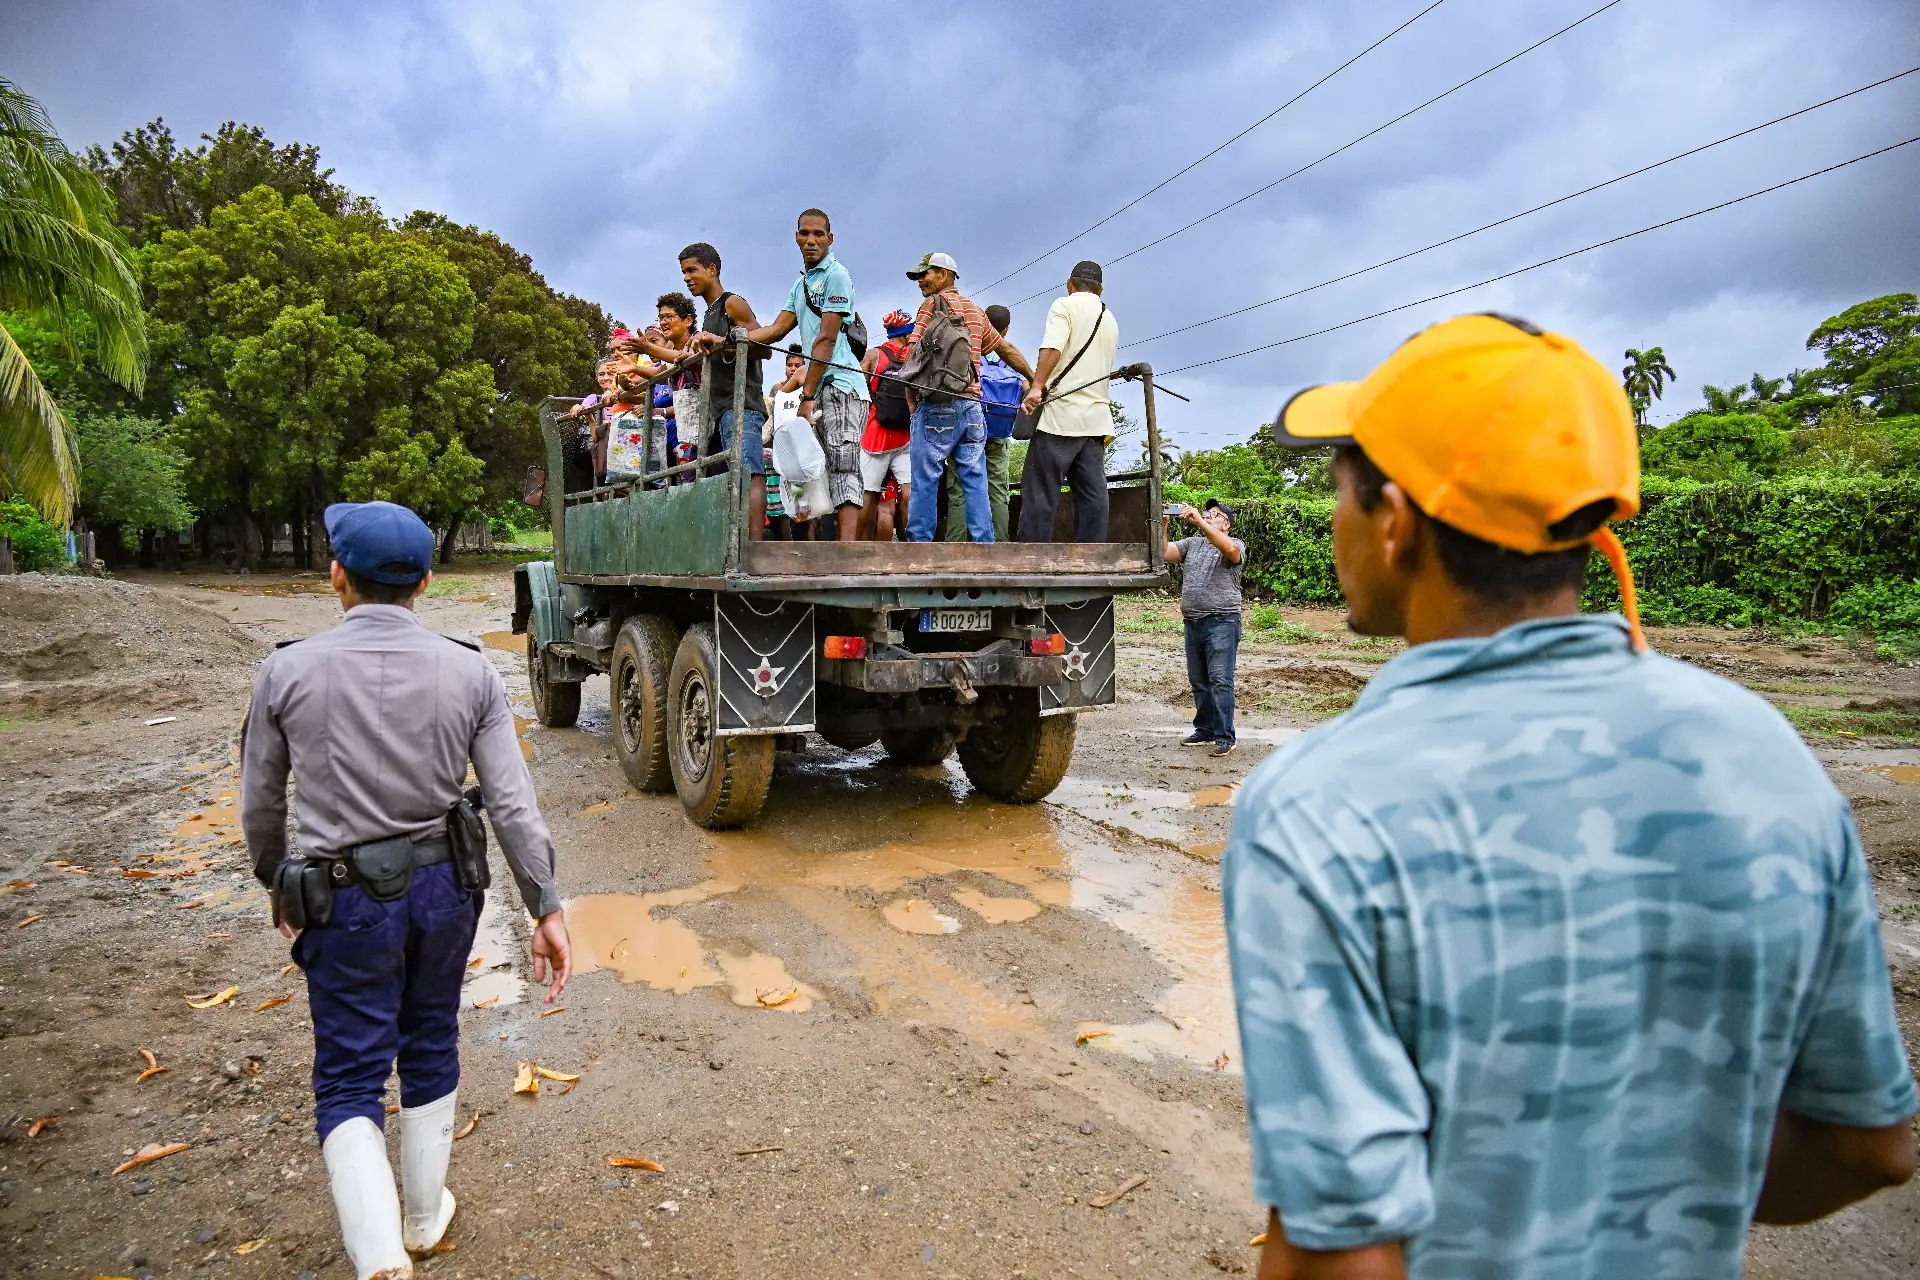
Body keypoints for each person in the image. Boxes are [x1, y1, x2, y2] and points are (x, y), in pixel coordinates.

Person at [1225, 313, 1916, 1280]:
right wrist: (1635, 1177)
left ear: (1399, 523)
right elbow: (1869, 1145)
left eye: (1339, 485)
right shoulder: (1766, 750)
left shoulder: (1318, 807)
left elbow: (1346, 1257)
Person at [240, 501, 572, 1278]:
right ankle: (423, 1220)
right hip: (446, 891)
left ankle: (381, 1255)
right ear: (425, 581)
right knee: (430, 1037)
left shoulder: (286, 671)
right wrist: (545, 905)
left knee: (351, 1072)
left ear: (336, 579)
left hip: (343, 897)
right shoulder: (470, 671)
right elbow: (513, 804)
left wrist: (278, 884)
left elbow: (259, 806)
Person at [736, 209, 868, 540]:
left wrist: (805, 396)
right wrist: (732, 338)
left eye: (818, 234)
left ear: (830, 239)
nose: (811, 240)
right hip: (819, 387)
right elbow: (778, 329)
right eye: (804, 234)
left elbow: (826, 338)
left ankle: (847, 554)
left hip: (842, 386)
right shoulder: (801, 284)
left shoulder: (837, 276)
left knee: (843, 466)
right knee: (812, 472)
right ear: (796, 237)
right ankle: (818, 549)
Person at [898, 252, 1035, 542]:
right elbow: (1005, 349)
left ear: (945, 275)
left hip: (936, 406)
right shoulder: (974, 310)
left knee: (925, 480)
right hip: (973, 409)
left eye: (927, 273)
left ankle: (920, 548)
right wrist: (1035, 379)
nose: (921, 280)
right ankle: (985, 546)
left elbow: (912, 354)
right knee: (975, 480)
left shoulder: (931, 305)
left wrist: (911, 399)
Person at [1017, 260, 1119, 543]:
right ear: (1100, 289)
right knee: (1092, 496)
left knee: (1040, 494)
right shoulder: (1108, 317)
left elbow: (1053, 346)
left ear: (1069, 283)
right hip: (1096, 422)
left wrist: (1037, 386)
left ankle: (1032, 561)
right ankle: (1092, 560)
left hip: (1060, 418)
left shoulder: (1064, 305)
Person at [677, 242, 769, 538]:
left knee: (748, 474)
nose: (687, 277)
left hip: (741, 405)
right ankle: (730, 544)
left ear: (712, 269)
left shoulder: (732, 303)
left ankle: (753, 548)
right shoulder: (708, 314)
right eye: (683, 272)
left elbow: (762, 347)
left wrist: (719, 339)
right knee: (720, 479)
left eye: (692, 270)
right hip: (716, 410)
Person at [1164, 498, 1244, 757]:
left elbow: (1231, 552)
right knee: (1199, 681)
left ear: (1226, 524)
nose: (1209, 516)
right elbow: (1166, 552)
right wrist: (1163, 525)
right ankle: (1206, 729)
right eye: (1207, 512)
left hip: (1222, 621)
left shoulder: (1234, 544)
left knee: (1221, 681)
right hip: (1193, 622)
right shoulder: (1192, 544)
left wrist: (1199, 521)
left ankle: (1225, 736)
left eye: (1215, 514)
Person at [944, 302, 1024, 542]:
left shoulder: (968, 349)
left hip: (967, 429)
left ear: (982, 323)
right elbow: (1026, 389)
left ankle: (954, 550)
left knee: (959, 491)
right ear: (1006, 329)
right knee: (998, 491)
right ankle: (999, 548)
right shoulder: (1009, 356)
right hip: (998, 433)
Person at [858, 309, 916, 541]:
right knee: (910, 495)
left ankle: (862, 550)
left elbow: (859, 387)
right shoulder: (915, 356)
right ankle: (917, 550)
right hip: (907, 435)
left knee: (868, 496)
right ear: (906, 333)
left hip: (876, 436)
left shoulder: (874, 355)